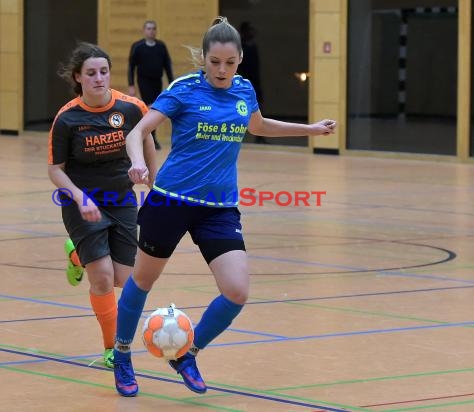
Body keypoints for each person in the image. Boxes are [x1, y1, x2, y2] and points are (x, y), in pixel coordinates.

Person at [112, 17, 336, 397]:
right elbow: (138, 131)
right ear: (204, 58)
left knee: (237, 291)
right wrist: (137, 163)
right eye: (214, 62)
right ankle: (120, 355)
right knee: (143, 281)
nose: (221, 70)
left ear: (240, 59)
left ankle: (186, 354)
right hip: (171, 201)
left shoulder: (244, 90)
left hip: (219, 208)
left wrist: (310, 129)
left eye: (229, 63)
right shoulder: (184, 89)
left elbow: (260, 126)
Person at [47, 42, 156, 369]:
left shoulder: (132, 107)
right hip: (82, 202)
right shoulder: (67, 119)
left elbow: (146, 139)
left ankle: (76, 254)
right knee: (103, 279)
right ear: (78, 77)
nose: (99, 78)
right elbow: (55, 170)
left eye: (104, 72)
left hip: (121, 199)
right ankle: (112, 349)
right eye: (91, 73)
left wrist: (154, 186)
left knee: (124, 277)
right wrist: (79, 197)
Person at [127, 20, 174, 150]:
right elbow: (131, 67)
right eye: (148, 28)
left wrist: (172, 84)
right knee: (149, 108)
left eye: (153, 28)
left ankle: (151, 136)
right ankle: (150, 137)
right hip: (143, 81)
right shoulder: (138, 46)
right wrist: (131, 84)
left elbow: (167, 66)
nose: (151, 31)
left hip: (156, 82)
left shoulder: (161, 46)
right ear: (144, 30)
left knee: (156, 108)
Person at [238, 21, 265, 144]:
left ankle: (259, 137)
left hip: (254, 83)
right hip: (243, 83)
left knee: (258, 108)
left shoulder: (253, 46)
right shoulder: (240, 48)